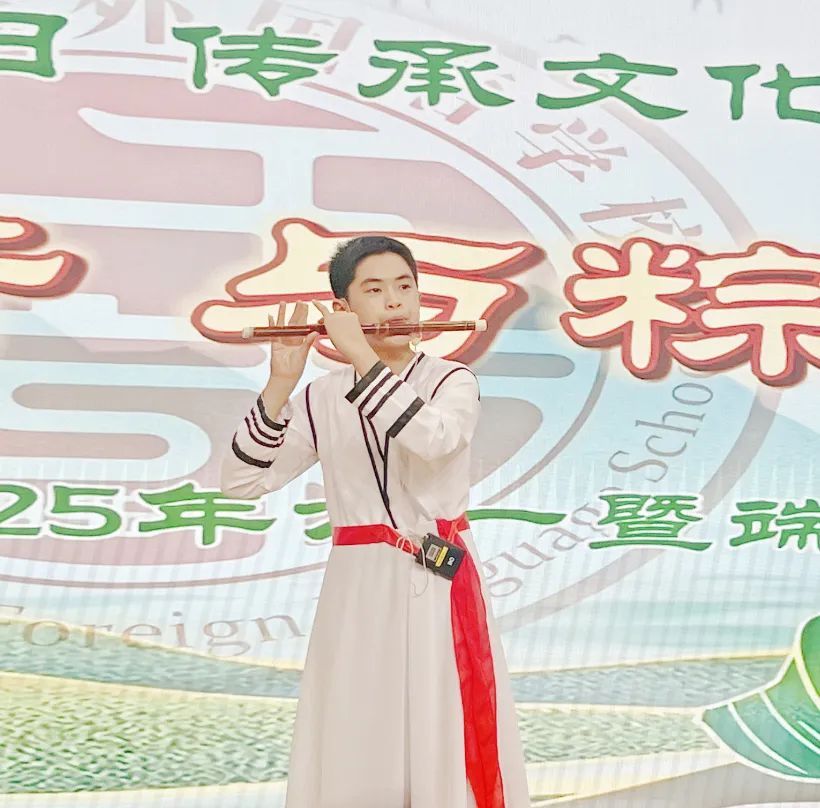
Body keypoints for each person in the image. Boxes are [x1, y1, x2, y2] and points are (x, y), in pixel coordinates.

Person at [220, 236, 530, 808]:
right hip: (357, 584)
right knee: (358, 724)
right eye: (375, 289)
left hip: (437, 579)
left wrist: (361, 358)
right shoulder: (320, 396)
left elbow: (434, 440)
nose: (395, 302)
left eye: (405, 287)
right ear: (342, 308)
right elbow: (241, 482)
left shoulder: (451, 379)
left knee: (440, 721)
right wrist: (280, 384)